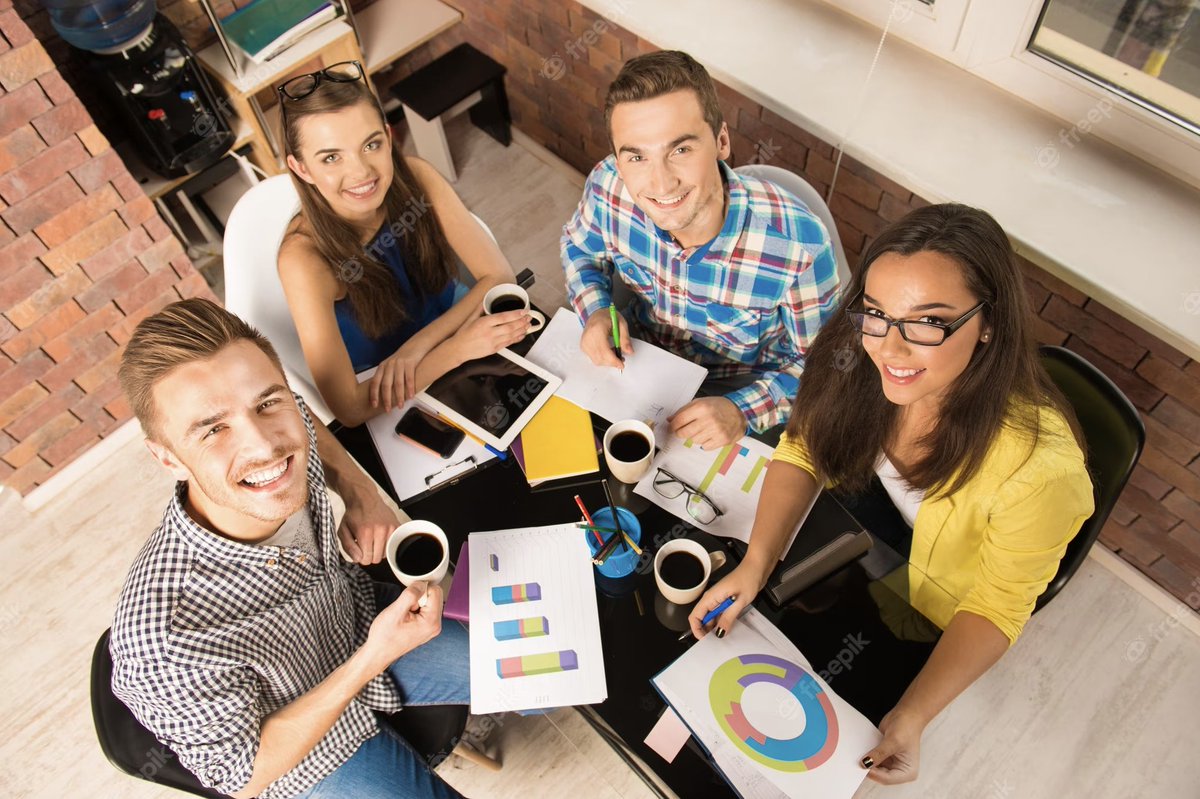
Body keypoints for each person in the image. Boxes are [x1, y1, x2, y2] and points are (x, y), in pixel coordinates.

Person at [687, 204, 1094, 785]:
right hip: (865, 520)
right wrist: (757, 562)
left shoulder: (1041, 473)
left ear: (989, 324)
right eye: (876, 313)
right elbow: (805, 445)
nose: (891, 350)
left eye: (928, 322)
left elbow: (996, 606)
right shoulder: (858, 351)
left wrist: (914, 716)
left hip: (935, 595)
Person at [110, 298, 471, 799]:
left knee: (537, 660)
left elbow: (300, 413)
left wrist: (359, 491)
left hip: (355, 621)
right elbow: (240, 776)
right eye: (214, 429)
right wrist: (372, 658)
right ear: (166, 458)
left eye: (265, 403)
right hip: (295, 748)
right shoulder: (163, 638)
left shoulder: (287, 428)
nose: (265, 447)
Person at [562, 50, 840, 448]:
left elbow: (828, 364)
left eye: (680, 150)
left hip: (744, 386)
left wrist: (744, 410)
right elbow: (579, 247)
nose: (660, 184)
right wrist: (595, 312)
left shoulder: (798, 247)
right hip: (639, 361)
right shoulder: (608, 185)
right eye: (637, 156)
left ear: (721, 141)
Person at [277, 61, 534, 426]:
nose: (361, 172)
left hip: (460, 324)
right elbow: (349, 409)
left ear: (388, 135)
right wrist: (454, 351)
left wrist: (416, 348)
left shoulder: (416, 175)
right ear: (301, 168)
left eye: (371, 144)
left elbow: (499, 276)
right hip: (387, 384)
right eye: (331, 157)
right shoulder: (302, 259)